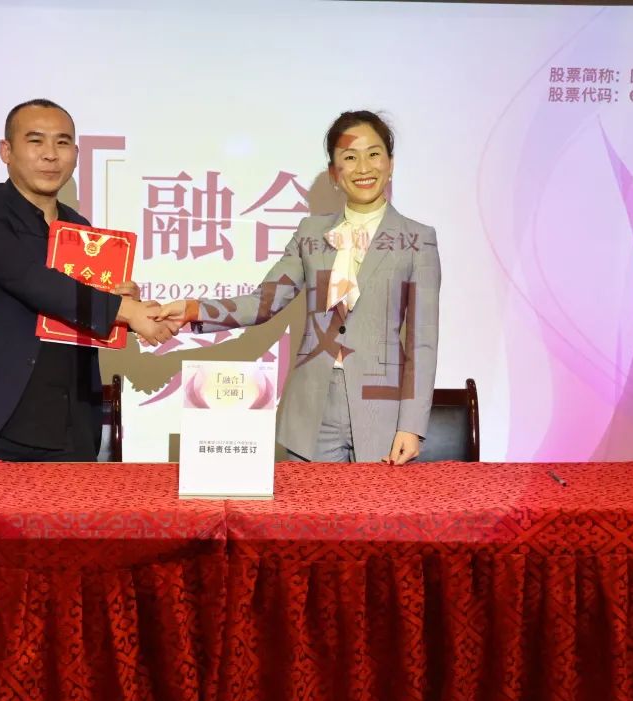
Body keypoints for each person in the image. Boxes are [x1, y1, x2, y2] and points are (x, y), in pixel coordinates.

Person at [157, 110, 440, 464]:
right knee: (310, 504)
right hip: (313, 409)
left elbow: (422, 342)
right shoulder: (310, 233)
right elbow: (263, 302)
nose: (363, 167)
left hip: (383, 411)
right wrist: (193, 309)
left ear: (391, 163)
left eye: (373, 154)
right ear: (334, 173)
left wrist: (411, 426)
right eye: (350, 157)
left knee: (372, 504)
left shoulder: (418, 240)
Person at [0, 98, 173, 462]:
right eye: (35, 141)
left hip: (70, 417)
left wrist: (122, 303)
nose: (50, 154)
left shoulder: (81, 229)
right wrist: (124, 310)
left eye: (62, 142)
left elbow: (81, 307)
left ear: (76, 154)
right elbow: (32, 281)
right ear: (6, 151)